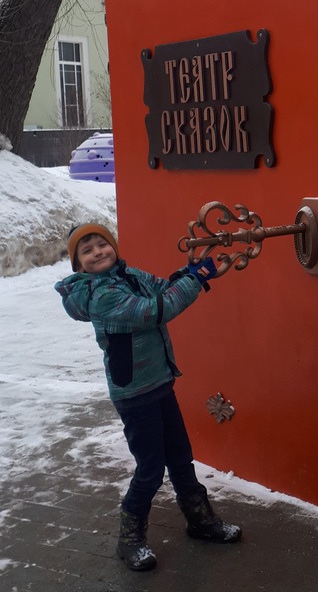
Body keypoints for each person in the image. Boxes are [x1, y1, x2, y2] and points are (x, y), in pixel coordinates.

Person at [55, 223, 241, 572]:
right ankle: (130, 539)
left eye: (102, 244)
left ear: (113, 246)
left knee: (181, 457)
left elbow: (164, 289)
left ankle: (200, 521)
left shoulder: (128, 275)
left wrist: (189, 272)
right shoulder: (102, 296)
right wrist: (196, 278)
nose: (98, 252)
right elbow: (156, 310)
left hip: (159, 382)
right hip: (134, 394)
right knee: (151, 468)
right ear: (78, 265)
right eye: (87, 251)